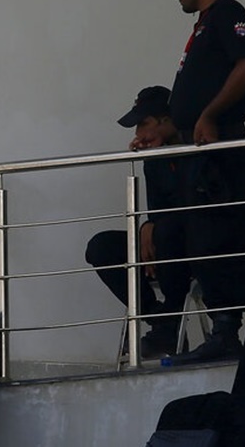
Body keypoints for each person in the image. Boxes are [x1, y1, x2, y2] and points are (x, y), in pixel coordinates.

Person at [165, 0, 245, 364]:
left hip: (218, 152)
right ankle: (205, 326)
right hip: (197, 147)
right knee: (193, 236)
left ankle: (227, 329)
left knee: (216, 236)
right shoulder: (207, 22)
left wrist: (209, 115)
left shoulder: (228, 14)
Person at [85, 86, 191, 358]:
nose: (138, 135)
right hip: (166, 238)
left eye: (144, 124)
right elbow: (157, 210)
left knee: (165, 233)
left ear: (167, 119)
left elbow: (195, 207)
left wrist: (151, 227)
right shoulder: (154, 157)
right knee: (101, 247)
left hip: (199, 240)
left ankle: (170, 323)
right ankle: (160, 318)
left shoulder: (197, 141)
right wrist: (147, 227)